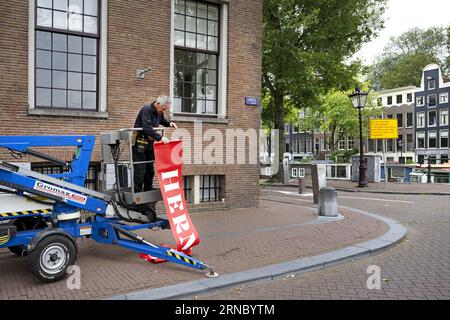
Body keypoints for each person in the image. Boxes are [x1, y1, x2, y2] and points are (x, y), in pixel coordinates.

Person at [133, 95, 177, 193]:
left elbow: (163, 121)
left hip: (149, 143)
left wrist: (169, 123)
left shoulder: (159, 112)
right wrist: (160, 138)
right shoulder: (146, 109)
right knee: (140, 169)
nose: (163, 110)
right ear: (157, 104)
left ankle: (148, 188)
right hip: (140, 142)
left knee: (150, 169)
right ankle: (137, 191)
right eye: (163, 108)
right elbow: (146, 127)